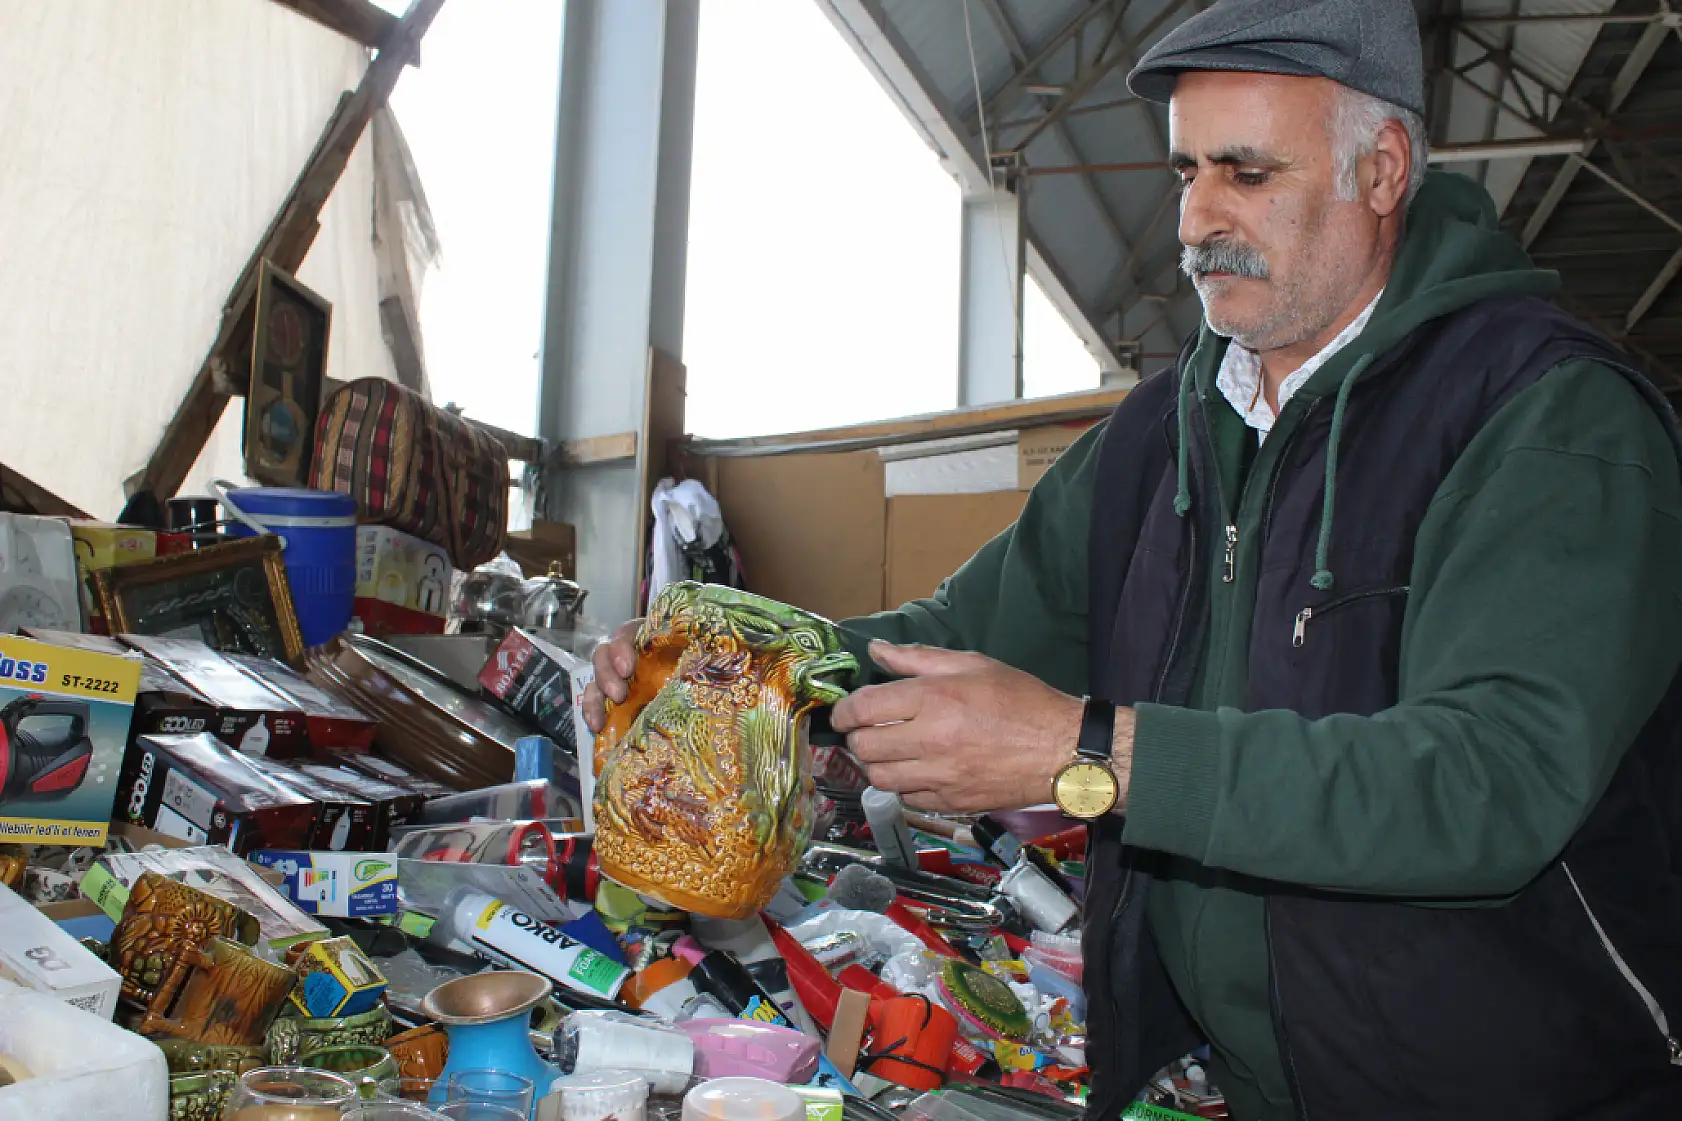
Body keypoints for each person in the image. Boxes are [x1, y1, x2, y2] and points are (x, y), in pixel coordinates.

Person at [584, 1, 1682, 1116]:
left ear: (1383, 170)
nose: (1196, 219)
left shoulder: (1547, 421)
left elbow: (1487, 783)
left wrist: (1087, 751)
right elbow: (956, 635)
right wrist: (730, 666)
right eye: (1186, 172)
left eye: (1247, 173)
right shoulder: (1160, 438)